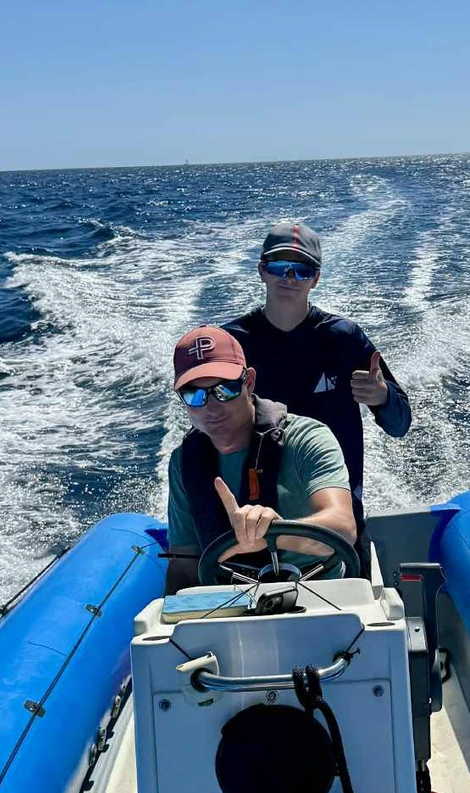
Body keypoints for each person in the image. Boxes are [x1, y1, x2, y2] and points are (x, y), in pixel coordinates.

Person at [223, 222, 412, 571]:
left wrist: (382, 397)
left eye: (302, 270)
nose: (290, 277)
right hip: (251, 526)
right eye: (280, 266)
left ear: (316, 279)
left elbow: (400, 424)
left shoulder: (345, 339)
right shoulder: (232, 344)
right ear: (262, 271)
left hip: (337, 526)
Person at [165, 326, 357, 595]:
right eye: (194, 395)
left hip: (320, 593)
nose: (211, 407)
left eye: (225, 389)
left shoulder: (308, 439)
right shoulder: (183, 463)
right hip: (229, 603)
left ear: (249, 382)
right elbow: (184, 564)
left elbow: (344, 528)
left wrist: (272, 533)